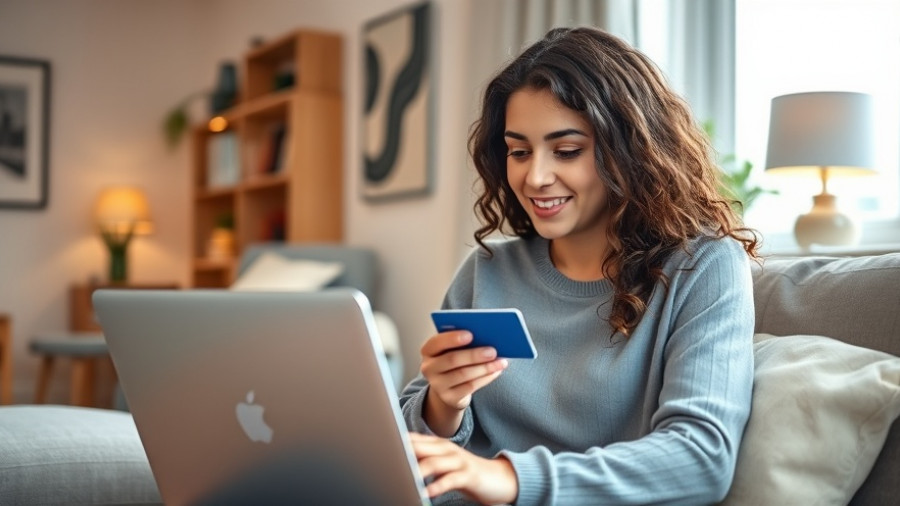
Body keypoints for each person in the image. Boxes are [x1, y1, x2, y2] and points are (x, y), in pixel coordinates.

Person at [399, 26, 760, 505]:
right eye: (519, 151)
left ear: (631, 149)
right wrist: (444, 404)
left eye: (567, 151)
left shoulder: (703, 267)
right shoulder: (488, 270)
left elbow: (700, 457)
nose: (536, 177)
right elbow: (406, 444)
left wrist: (510, 480)